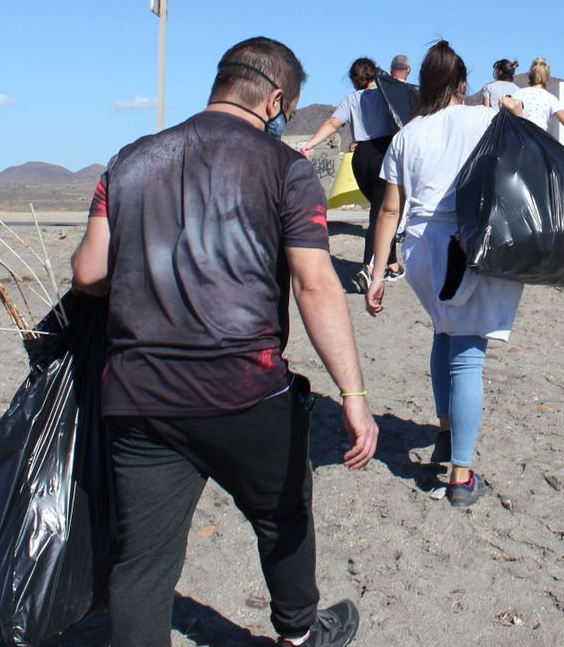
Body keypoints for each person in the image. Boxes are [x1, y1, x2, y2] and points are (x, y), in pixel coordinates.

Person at [71, 37, 378, 647]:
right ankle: (299, 633)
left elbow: (89, 273)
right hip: (244, 389)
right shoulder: (285, 169)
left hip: (139, 394)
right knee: (283, 514)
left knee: (144, 561)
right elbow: (315, 284)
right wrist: (353, 394)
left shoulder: (129, 161)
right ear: (277, 100)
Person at [365, 41, 526, 508]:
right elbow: (520, 132)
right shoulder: (483, 118)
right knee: (468, 356)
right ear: (462, 83)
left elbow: (389, 210)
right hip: (466, 246)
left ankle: (444, 433)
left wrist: (377, 273)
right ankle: (460, 475)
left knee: (443, 332)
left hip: (420, 249)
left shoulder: (407, 134)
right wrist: (510, 107)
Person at [301, 58, 402, 282]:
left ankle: (392, 264)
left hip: (360, 157)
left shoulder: (351, 99)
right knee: (382, 212)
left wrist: (310, 144)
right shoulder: (387, 94)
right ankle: (368, 267)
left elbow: (332, 123)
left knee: (382, 208)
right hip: (383, 153)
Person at [514, 57, 564, 151]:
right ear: (547, 77)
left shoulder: (518, 93)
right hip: (539, 144)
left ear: (531, 75)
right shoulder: (549, 98)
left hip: (519, 142)